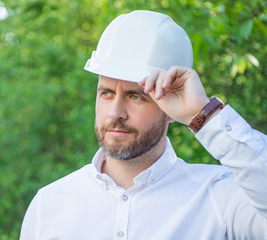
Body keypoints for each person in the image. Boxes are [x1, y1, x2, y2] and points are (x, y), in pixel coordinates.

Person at [20, 10, 267, 239]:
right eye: (106, 93)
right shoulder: (49, 204)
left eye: (136, 96)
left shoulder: (220, 196)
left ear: (170, 108)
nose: (115, 113)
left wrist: (203, 114)